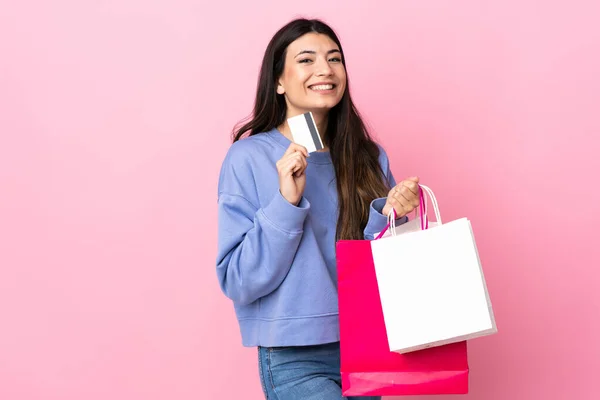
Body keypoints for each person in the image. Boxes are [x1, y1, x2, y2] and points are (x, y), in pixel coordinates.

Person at [216, 18, 420, 400]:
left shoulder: (368, 157)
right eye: (307, 60)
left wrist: (390, 214)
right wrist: (286, 203)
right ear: (278, 81)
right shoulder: (248, 158)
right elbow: (238, 280)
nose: (325, 70)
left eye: (335, 58)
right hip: (295, 356)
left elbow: (379, 273)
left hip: (365, 343)